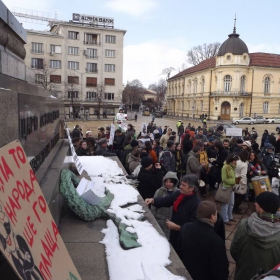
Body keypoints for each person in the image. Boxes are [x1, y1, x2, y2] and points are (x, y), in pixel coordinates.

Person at [145, 174, 201, 253]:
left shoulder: (196, 203)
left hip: (185, 238)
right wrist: (153, 200)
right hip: (174, 232)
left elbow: (194, 227)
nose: (180, 186)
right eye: (181, 184)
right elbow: (166, 201)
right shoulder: (179, 194)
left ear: (191, 188)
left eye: (184, 185)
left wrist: (178, 227)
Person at [230, 192, 280, 280]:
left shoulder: (244, 224)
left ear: (262, 208)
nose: (255, 203)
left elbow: (234, 249)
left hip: (244, 274)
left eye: (258, 202)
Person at [177, 201, 229, 280]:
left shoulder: (186, 227)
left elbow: (179, 251)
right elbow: (220, 272)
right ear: (212, 216)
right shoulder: (217, 242)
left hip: (187, 274)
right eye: (216, 214)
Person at [151, 172, 179, 239]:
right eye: (166, 181)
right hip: (160, 219)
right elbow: (153, 206)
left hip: (172, 221)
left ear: (174, 183)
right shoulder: (159, 191)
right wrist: (152, 218)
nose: (168, 184)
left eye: (170, 182)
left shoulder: (178, 193)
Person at [221, 154, 239, 225]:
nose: (236, 162)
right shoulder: (225, 167)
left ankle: (230, 216)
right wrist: (234, 181)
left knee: (231, 203)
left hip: (231, 188)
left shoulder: (232, 167)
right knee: (225, 204)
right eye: (235, 161)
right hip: (226, 187)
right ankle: (225, 219)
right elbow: (224, 179)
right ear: (231, 161)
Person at [232, 150, 249, 214]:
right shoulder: (244, 164)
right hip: (240, 180)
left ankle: (233, 207)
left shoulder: (236, 161)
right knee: (241, 195)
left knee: (235, 193)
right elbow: (243, 175)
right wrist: (244, 183)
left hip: (235, 178)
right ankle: (235, 208)